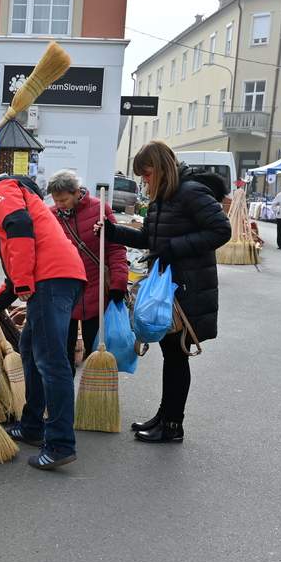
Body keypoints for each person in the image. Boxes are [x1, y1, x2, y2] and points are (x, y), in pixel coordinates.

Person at [99, 141, 231, 444]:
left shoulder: (191, 192)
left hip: (187, 287)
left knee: (176, 355)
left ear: (160, 167)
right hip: (169, 285)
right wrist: (112, 231)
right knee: (171, 354)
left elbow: (221, 230)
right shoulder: (163, 197)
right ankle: (164, 416)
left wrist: (175, 248)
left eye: (146, 174)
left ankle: (172, 425)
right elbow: (149, 238)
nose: (145, 181)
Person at [0, 173, 86, 470]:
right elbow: (12, 284)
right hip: (59, 277)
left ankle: (60, 445)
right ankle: (32, 425)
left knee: (51, 362)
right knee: (30, 350)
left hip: (52, 279)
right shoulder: (20, 208)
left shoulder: (1, 190)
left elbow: (19, 226)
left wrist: (23, 281)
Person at [47, 170, 129, 370]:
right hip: (66, 290)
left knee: (95, 349)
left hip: (96, 287)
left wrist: (118, 282)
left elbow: (115, 247)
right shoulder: (50, 216)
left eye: (64, 200)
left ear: (76, 192)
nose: (59, 205)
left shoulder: (99, 209)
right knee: (63, 353)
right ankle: (65, 387)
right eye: (56, 200)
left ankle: (93, 384)